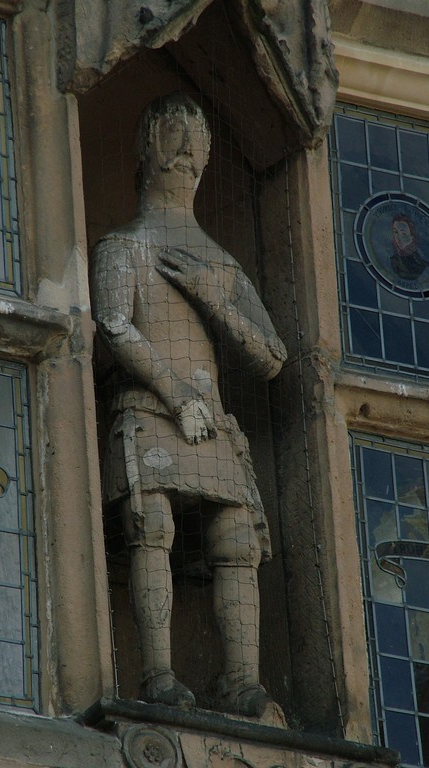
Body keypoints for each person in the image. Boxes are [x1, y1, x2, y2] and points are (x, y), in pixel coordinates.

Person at [90, 92, 287, 717]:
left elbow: (272, 356)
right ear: (147, 153)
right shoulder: (122, 245)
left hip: (212, 419)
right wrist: (176, 395)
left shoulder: (219, 263)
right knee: (151, 526)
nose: (183, 160)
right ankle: (157, 674)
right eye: (172, 144)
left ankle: (241, 682)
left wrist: (214, 298)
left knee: (237, 539)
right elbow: (114, 323)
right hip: (151, 409)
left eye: (193, 149)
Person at [390, 214, 429, 281]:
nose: (399, 238)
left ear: (412, 236)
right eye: (396, 232)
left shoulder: (421, 264)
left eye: (403, 233)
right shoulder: (394, 261)